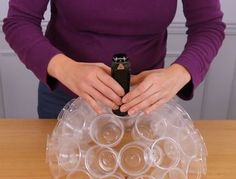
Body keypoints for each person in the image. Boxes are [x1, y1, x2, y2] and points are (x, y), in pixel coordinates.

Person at [3, 0, 225, 118]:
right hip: (66, 98)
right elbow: (19, 21)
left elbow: (208, 26)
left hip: (145, 103)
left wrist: (179, 74)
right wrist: (65, 68)